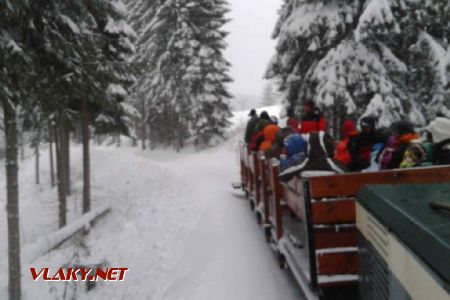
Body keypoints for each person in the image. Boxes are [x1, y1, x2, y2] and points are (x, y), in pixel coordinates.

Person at [278, 132, 345, 182]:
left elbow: (282, 176)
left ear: (310, 146)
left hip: (308, 198)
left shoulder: (304, 163)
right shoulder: (333, 164)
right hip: (331, 197)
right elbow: (348, 176)